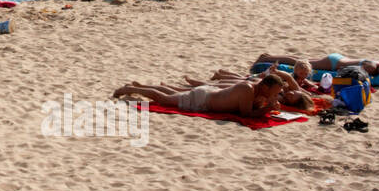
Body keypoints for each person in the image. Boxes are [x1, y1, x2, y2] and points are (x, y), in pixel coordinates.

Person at [112, 72, 285, 117]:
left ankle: (137, 87)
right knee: (164, 99)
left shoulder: (255, 89)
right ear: (266, 87)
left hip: (208, 95)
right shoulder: (248, 89)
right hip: (203, 100)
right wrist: (267, 108)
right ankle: (127, 90)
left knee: (172, 93)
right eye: (275, 92)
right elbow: (246, 113)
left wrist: (264, 105)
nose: (275, 95)